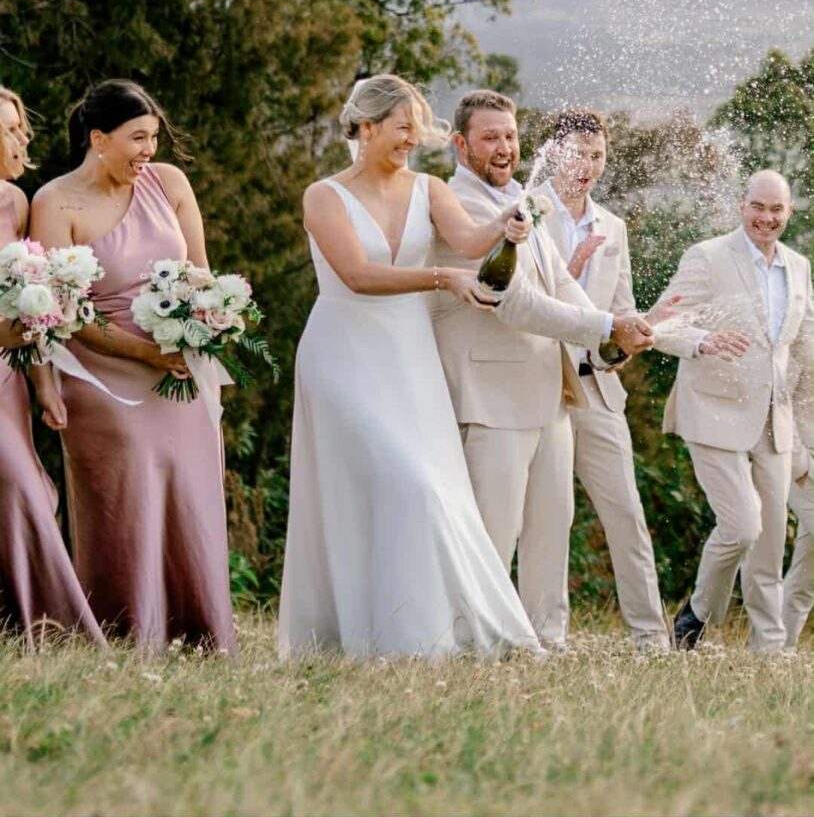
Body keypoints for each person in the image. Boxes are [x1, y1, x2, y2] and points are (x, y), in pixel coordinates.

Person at [278, 74, 544, 659]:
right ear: (365, 127)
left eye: (417, 129)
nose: (412, 140)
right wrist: (442, 278)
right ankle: (358, 627)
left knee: (431, 487)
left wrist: (508, 223)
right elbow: (357, 275)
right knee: (396, 484)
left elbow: (470, 242)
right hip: (343, 355)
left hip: (409, 355)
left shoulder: (429, 188)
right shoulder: (324, 196)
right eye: (403, 127)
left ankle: (426, 629)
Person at [431, 90, 656, 648]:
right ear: (461, 144)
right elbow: (513, 302)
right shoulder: (457, 206)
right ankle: (475, 642)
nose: (504, 147)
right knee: (494, 532)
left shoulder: (523, 199)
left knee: (552, 528)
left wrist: (613, 333)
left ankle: (545, 641)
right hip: (492, 393)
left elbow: (559, 283)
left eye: (509, 135)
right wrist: (606, 326)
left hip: (550, 393)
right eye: (489, 137)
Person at [29, 79, 235, 654]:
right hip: (100, 373)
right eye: (137, 138)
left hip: (177, 368)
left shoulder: (168, 183)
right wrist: (144, 351)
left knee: (191, 489)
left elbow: (201, 272)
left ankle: (200, 630)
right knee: (127, 492)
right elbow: (62, 312)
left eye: (153, 138)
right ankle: (126, 628)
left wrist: (205, 327)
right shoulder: (55, 202)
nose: (149, 150)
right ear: (99, 139)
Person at [656, 170, 812, 652]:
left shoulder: (799, 266)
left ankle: (769, 647)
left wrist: (803, 433)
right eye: (758, 207)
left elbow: (802, 353)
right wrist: (702, 340)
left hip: (774, 420)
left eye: (777, 209)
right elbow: (660, 325)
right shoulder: (707, 257)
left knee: (769, 546)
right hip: (713, 412)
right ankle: (699, 610)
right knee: (743, 526)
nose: (767, 218)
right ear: (742, 206)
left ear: (789, 212)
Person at [540, 108, 669, 650]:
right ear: (553, 152)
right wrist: (568, 273)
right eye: (578, 153)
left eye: (597, 155)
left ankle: (651, 638)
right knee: (549, 516)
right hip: (538, 383)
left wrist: (631, 337)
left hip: (596, 386)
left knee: (626, 514)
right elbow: (517, 300)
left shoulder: (613, 227)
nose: (588, 165)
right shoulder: (526, 210)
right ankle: (545, 636)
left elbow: (621, 306)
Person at [0, 86, 104, 647]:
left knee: (31, 489)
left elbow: (32, 301)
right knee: (19, 486)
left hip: (6, 380)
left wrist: (44, 383)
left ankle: (22, 624)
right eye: (10, 130)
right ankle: (54, 625)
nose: (24, 139)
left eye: (22, 128)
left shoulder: (16, 203)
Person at [782, 357, 813, 649]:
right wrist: (798, 463)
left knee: (807, 574)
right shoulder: (804, 333)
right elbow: (779, 394)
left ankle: (775, 651)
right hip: (805, 463)